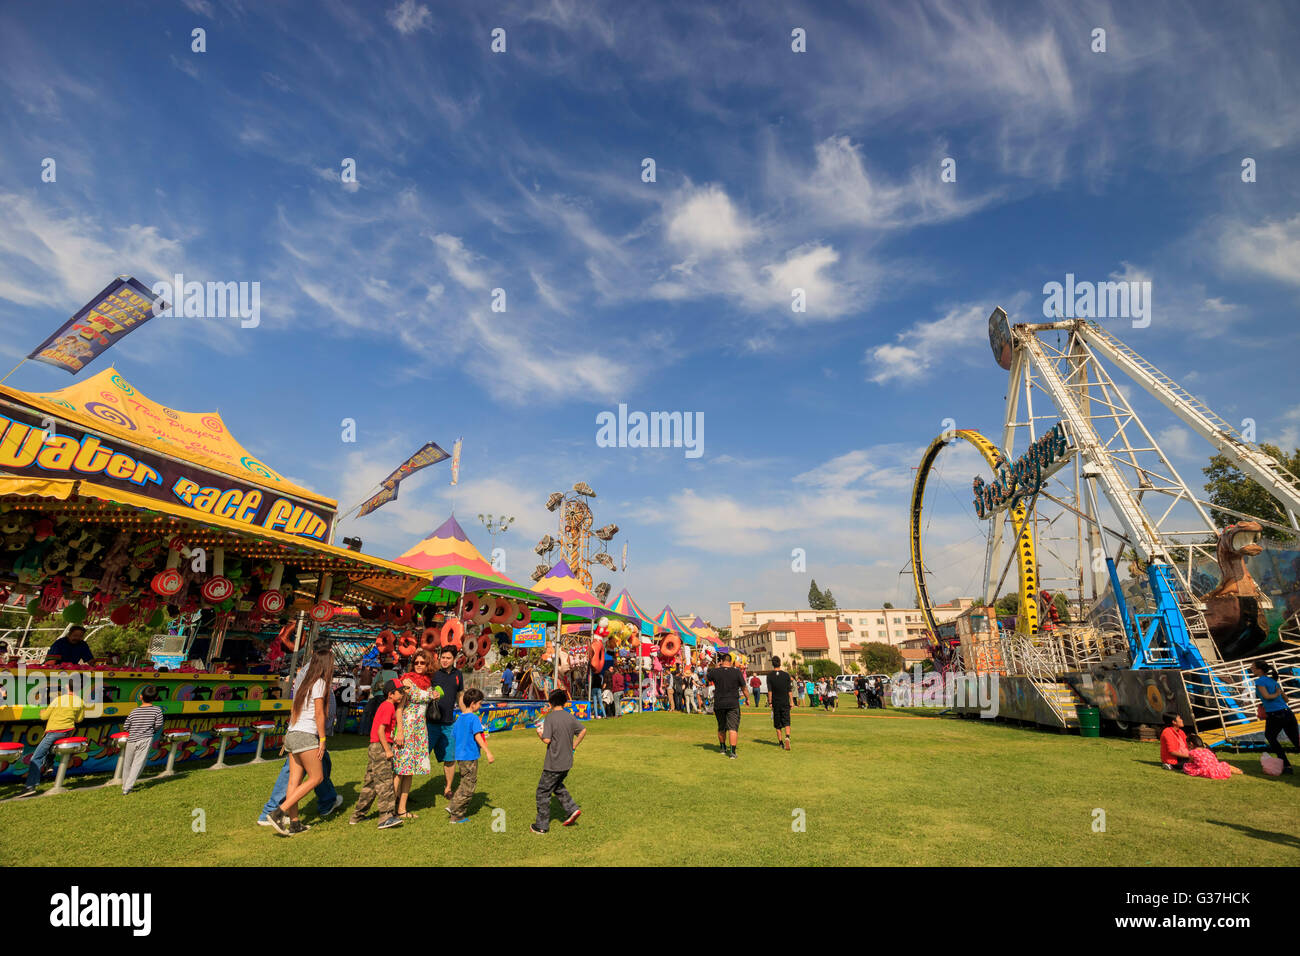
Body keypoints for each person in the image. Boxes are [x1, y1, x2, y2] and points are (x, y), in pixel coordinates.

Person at [258, 640, 344, 827]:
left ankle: (295, 823)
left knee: (293, 781)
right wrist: (322, 738)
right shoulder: (320, 683)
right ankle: (278, 812)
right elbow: (319, 714)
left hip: (293, 732)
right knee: (317, 777)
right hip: (307, 735)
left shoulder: (304, 682)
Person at [350, 679, 406, 829]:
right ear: (390, 694)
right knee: (385, 782)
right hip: (381, 747)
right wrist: (388, 750)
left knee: (371, 783)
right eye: (400, 692)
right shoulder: (388, 706)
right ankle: (386, 817)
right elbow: (381, 730)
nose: (402, 694)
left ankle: (357, 815)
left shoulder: (387, 705)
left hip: (376, 746)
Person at [393, 650, 440, 819]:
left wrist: (434, 695)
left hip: (420, 730)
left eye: (423, 663)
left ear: (428, 664)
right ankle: (388, 808)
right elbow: (399, 709)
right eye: (417, 662)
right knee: (399, 770)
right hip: (407, 727)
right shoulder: (407, 681)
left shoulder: (428, 683)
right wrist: (400, 731)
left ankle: (402, 809)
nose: (419, 665)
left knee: (409, 771)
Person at [531, 689, 585, 834]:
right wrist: (574, 745)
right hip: (567, 761)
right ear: (565, 702)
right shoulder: (569, 717)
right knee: (556, 786)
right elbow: (583, 730)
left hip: (553, 763)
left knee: (542, 792)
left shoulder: (550, 718)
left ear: (550, 703)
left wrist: (540, 735)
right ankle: (572, 809)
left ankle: (541, 825)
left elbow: (547, 739)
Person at [19, 683, 85, 796]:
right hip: (67, 732)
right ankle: (49, 764)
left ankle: (30, 787)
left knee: (37, 756)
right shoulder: (80, 701)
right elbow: (79, 719)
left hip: (54, 732)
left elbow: (45, 717)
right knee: (51, 748)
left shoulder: (58, 700)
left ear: (67, 687)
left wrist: (42, 712)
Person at [447, 688, 494, 823]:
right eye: (479, 703)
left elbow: (455, 736)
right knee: (469, 786)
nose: (480, 706)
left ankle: (454, 809)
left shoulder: (459, 718)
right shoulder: (473, 718)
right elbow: (478, 736)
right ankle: (455, 811)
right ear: (473, 703)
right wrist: (488, 751)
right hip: (470, 756)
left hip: (460, 757)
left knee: (464, 782)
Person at [428, 646, 464, 803]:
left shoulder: (458, 675)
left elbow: (460, 695)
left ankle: (448, 788)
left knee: (450, 758)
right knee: (420, 756)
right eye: (443, 657)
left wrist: (466, 714)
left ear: (454, 659)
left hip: (449, 723)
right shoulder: (433, 674)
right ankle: (404, 792)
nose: (445, 660)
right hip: (431, 723)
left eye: (448, 658)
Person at [1251, 660, 1297, 773]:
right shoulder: (1272, 681)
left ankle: (1286, 765)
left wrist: (1275, 695)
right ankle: (1286, 765)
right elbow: (1286, 699)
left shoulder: (1260, 681)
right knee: (1296, 740)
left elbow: (1266, 696)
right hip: (1288, 712)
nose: (1251, 669)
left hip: (1276, 714)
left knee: (1270, 736)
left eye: (1253, 667)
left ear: (1259, 670)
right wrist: (1278, 694)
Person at [120, 686, 164, 794]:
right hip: (145, 739)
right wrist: (152, 730)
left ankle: (125, 784)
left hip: (131, 739)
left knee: (127, 763)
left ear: (141, 697)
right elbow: (158, 725)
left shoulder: (134, 711)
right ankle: (127, 788)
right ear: (156, 697)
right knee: (138, 764)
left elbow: (126, 726)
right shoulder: (157, 710)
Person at [707, 653, 746, 759]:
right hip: (733, 703)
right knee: (733, 728)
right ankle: (733, 752)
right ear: (731, 661)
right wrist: (747, 698)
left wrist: (716, 667)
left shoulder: (715, 671)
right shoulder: (737, 672)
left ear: (722, 661)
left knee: (721, 727)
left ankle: (723, 748)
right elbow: (743, 687)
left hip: (719, 703)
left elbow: (708, 677)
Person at [767, 656, 795, 751]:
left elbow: (770, 691)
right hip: (785, 701)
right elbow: (789, 691)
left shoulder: (770, 676)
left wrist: (770, 702)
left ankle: (780, 742)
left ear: (772, 664)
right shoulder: (786, 675)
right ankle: (787, 736)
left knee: (777, 723)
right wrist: (791, 701)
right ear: (780, 663)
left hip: (776, 702)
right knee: (786, 720)